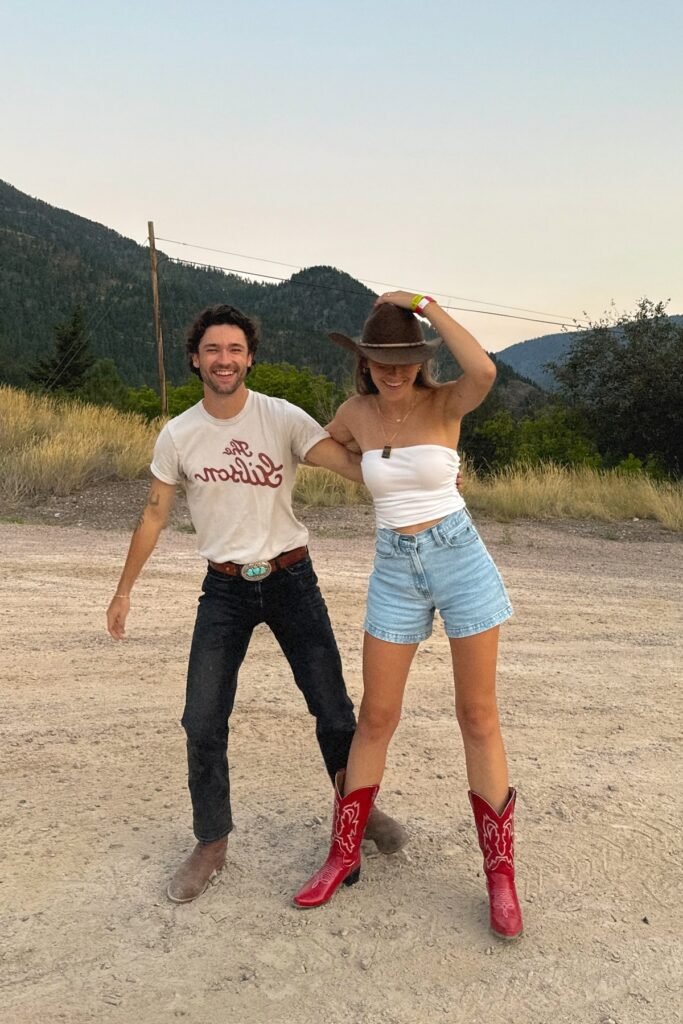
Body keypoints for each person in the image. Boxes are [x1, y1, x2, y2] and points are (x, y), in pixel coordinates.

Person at [106, 303, 407, 904]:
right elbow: (154, 512)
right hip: (223, 589)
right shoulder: (180, 434)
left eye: (235, 350)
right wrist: (123, 589)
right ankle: (211, 843)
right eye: (213, 350)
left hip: (292, 578)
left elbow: (349, 465)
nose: (225, 360)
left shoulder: (281, 418)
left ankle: (358, 815)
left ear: (249, 357)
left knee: (333, 709)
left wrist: (420, 473)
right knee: (202, 718)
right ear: (196, 358)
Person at [292, 293, 523, 940]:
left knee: (476, 715)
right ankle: (342, 854)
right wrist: (359, 473)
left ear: (420, 360)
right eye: (380, 360)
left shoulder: (444, 400)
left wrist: (426, 304)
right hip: (394, 565)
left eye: (405, 359)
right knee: (375, 715)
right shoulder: (354, 413)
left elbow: (483, 372)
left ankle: (499, 878)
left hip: (458, 555)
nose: (393, 371)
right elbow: (327, 449)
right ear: (363, 361)